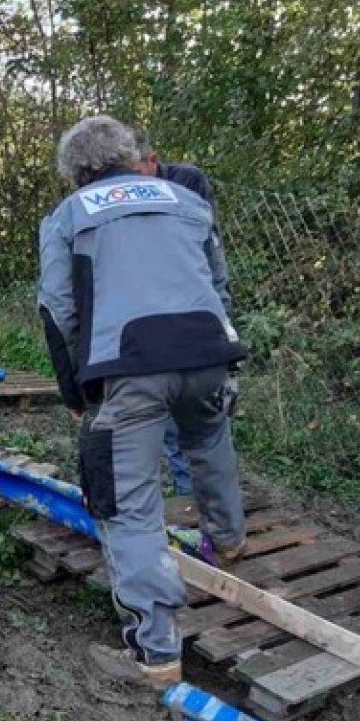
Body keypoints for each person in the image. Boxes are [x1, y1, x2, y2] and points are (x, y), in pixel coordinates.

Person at [37, 116, 247, 689]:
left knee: (128, 504)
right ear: (131, 157)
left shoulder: (69, 217)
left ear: (76, 173)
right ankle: (229, 540)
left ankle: (155, 655)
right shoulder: (186, 200)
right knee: (208, 440)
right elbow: (220, 285)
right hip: (208, 351)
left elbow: (57, 309)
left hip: (129, 368)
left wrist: (75, 390)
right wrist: (219, 353)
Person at [128, 131, 234, 498]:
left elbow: (206, 259)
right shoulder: (126, 194)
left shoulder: (188, 182)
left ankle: (211, 504)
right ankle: (191, 505)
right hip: (155, 316)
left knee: (206, 421)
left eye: (136, 171)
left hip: (196, 309)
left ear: (153, 159)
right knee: (173, 428)